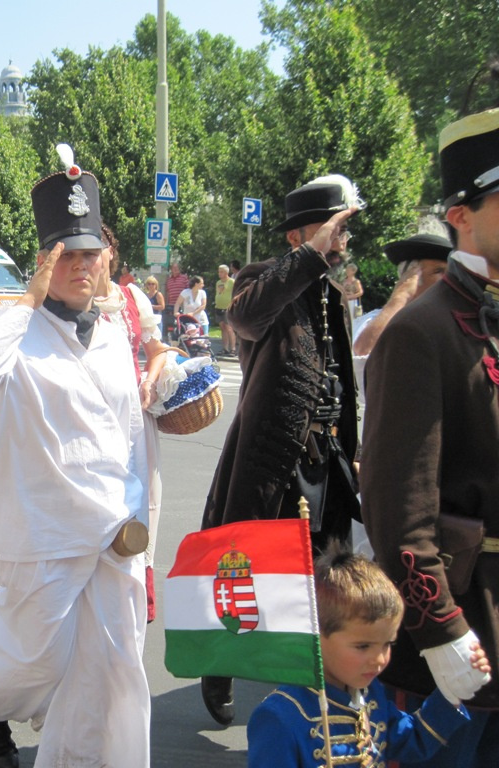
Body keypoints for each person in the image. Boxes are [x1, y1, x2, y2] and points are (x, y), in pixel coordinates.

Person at [0, 156, 150, 767]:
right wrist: (28, 301)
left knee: (113, 666)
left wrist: (142, 518)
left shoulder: (115, 333)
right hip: (44, 529)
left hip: (114, 529)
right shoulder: (9, 325)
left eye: (90, 253)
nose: (81, 266)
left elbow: (129, 433)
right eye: (65, 254)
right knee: (34, 656)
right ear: (42, 261)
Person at [361, 107, 499, 766]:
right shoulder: (424, 330)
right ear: (462, 215)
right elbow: (399, 509)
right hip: (466, 634)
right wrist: (442, 631)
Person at [199, 174, 363, 726]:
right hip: (276, 456)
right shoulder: (265, 278)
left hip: (329, 453)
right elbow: (243, 318)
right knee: (243, 567)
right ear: (301, 235)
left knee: (327, 574)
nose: (344, 237)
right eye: (334, 226)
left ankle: (318, 681)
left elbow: (342, 376)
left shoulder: (333, 289)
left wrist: (354, 447)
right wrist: (313, 258)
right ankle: (220, 664)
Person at [247, 547, 487, 767]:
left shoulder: (371, 695)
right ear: (315, 636)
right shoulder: (281, 716)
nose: (379, 659)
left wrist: (451, 693)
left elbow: (410, 740)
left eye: (387, 644)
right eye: (363, 646)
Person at [96, 224, 176, 622]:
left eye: (101, 248)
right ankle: (101, 591)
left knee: (145, 501)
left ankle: (137, 594)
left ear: (112, 252)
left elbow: (156, 349)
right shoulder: (71, 301)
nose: (95, 258)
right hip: (93, 419)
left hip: (134, 417)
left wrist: (148, 378)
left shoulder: (131, 296)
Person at [350, 231, 451, 404]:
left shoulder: (458, 321)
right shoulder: (376, 320)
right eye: (438, 271)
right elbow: (362, 360)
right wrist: (401, 296)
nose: (448, 280)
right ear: (410, 277)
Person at [214, 264, 236, 357]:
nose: (219, 273)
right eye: (219, 271)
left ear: (226, 272)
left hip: (228, 307)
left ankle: (233, 349)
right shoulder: (218, 282)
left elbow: (236, 293)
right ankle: (225, 348)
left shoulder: (232, 282)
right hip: (219, 307)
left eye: (221, 271)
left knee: (229, 328)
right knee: (223, 328)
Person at [163, 261, 189, 338]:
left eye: (176, 268)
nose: (175, 269)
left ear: (179, 269)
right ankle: (173, 338)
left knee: (182, 323)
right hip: (171, 305)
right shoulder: (169, 280)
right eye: (173, 268)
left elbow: (188, 290)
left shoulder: (184, 278)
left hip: (182, 305)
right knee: (172, 324)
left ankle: (183, 337)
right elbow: (167, 292)